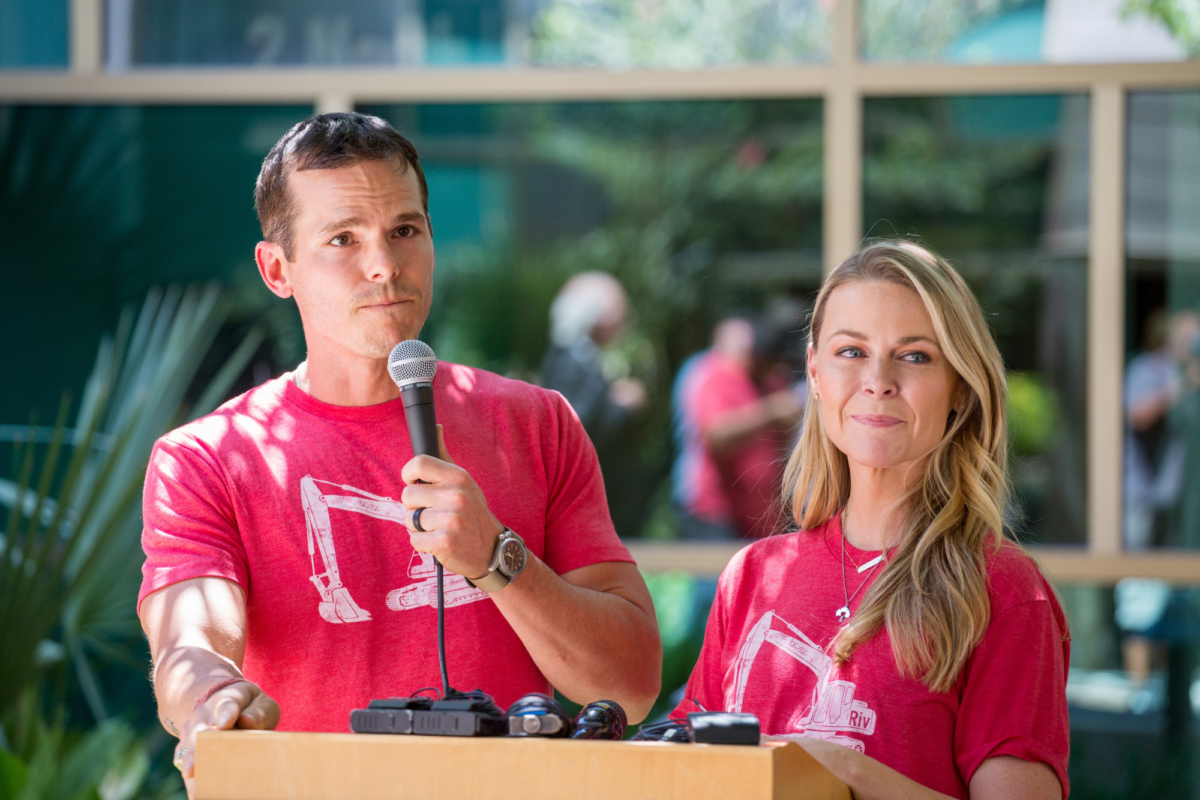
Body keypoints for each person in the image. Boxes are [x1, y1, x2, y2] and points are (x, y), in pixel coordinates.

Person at [137, 113, 661, 792]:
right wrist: (212, 701)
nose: (383, 264)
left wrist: (497, 559)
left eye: (404, 231)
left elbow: (630, 686)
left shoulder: (537, 423)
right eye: (342, 239)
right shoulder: (208, 458)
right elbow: (193, 643)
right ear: (277, 269)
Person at [674, 241, 1069, 799]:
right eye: (851, 351)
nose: (878, 379)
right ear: (813, 372)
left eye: (914, 356)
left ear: (959, 387)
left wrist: (844, 771)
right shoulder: (752, 578)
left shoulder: (1002, 591)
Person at [672, 315, 802, 539]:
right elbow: (715, 437)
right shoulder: (716, 374)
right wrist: (769, 411)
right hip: (714, 512)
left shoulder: (771, 384)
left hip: (759, 516)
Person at [540, 271, 646, 450]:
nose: (623, 315)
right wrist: (620, 406)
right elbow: (574, 427)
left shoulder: (578, 355)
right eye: (618, 307)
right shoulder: (572, 360)